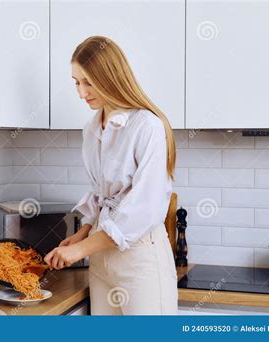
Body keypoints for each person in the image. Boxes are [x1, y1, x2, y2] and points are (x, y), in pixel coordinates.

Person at [44, 36, 178, 315]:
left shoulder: (147, 126)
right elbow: (101, 195)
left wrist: (80, 250)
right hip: (100, 260)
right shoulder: (92, 129)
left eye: (89, 82)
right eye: (76, 82)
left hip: (140, 260)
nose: (82, 93)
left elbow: (145, 207)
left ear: (111, 77)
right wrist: (81, 236)